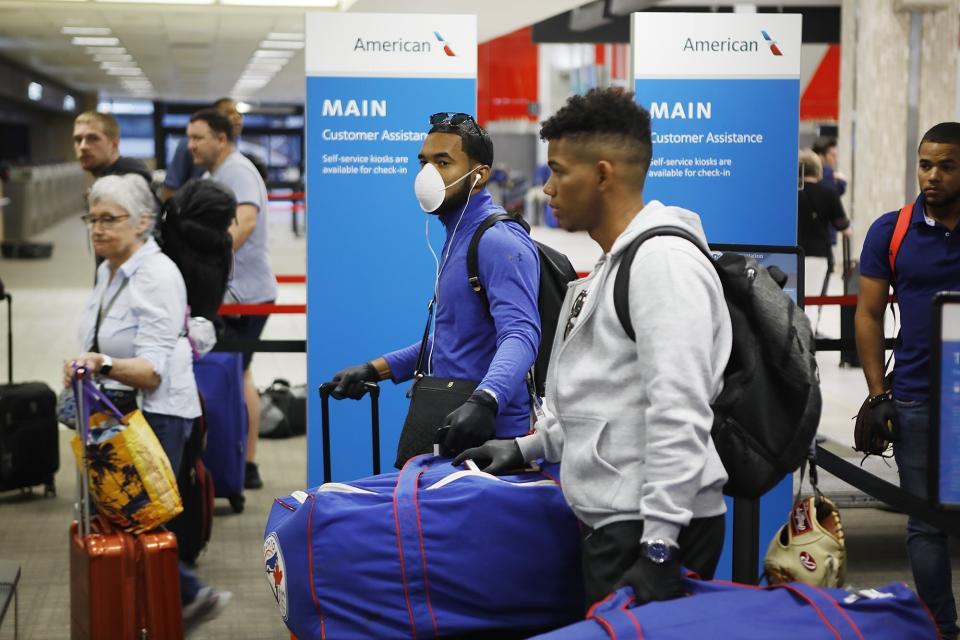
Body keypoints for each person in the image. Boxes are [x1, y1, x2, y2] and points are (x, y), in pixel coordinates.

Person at [454, 88, 732, 608]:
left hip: (651, 529)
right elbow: (604, 398)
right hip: (619, 518)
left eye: (559, 172)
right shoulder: (612, 265)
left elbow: (680, 412)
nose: (549, 188)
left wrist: (659, 546)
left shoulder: (662, 266)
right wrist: (525, 448)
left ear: (603, 174)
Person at [62, 174, 231, 634]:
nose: (97, 228)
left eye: (109, 219)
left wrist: (99, 363)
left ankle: (186, 599)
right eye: (92, 219)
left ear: (142, 222)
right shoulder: (109, 268)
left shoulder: (156, 276)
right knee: (123, 523)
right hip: (116, 410)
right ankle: (148, 610)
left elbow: (152, 368)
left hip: (155, 412)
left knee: (138, 521)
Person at [330, 112, 541, 457]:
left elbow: (521, 334)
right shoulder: (457, 234)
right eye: (424, 162)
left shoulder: (498, 242)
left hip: (490, 435)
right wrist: (374, 369)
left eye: (443, 162)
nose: (428, 174)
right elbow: (454, 339)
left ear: (479, 176)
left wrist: (487, 400)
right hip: (451, 416)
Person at [856, 122, 960, 640]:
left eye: (946, 165)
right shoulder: (890, 231)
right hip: (918, 396)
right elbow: (869, 314)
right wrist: (878, 395)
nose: (933, 176)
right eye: (925, 165)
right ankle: (941, 628)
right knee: (925, 521)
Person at [187, 108, 277, 490]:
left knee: (238, 373)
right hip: (233, 291)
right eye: (189, 138)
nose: (190, 145)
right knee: (240, 372)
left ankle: (246, 463)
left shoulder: (236, 171)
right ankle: (240, 461)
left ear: (221, 139)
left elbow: (245, 222)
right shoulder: (215, 174)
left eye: (198, 138)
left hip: (245, 294)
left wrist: (207, 260)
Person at [161, 98, 267, 202]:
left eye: (239, 114)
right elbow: (170, 188)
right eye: (229, 113)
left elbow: (245, 217)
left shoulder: (238, 168)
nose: (236, 117)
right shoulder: (191, 146)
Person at [797, 149, 852, 333]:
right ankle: (808, 340)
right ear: (818, 170)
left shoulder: (789, 194)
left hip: (792, 253)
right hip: (818, 254)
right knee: (812, 301)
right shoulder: (828, 193)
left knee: (792, 298)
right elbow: (843, 226)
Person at [72, 112, 152, 185]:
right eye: (78, 140)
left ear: (114, 144)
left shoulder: (123, 184)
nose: (83, 147)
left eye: (93, 138)